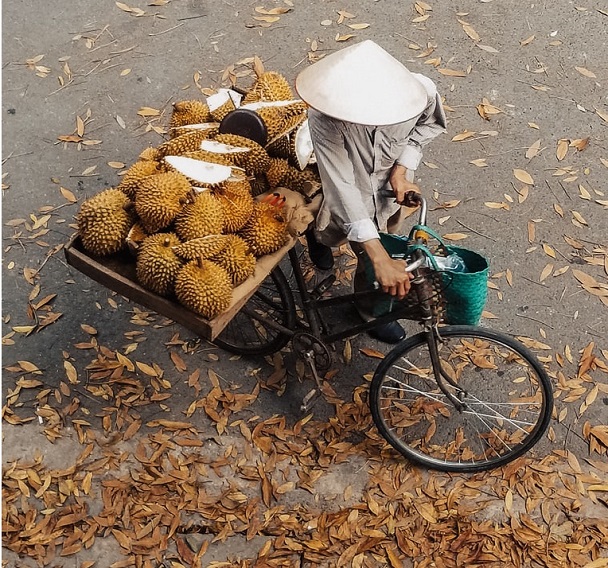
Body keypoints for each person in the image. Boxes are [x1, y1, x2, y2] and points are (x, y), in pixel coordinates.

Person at [295, 40, 447, 343]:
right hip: (349, 187)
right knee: (357, 242)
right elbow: (342, 186)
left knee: (384, 247)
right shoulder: (325, 119)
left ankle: (368, 313)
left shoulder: (420, 93)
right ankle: (316, 236)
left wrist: (401, 170)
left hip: (387, 193)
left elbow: (426, 126)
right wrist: (378, 257)